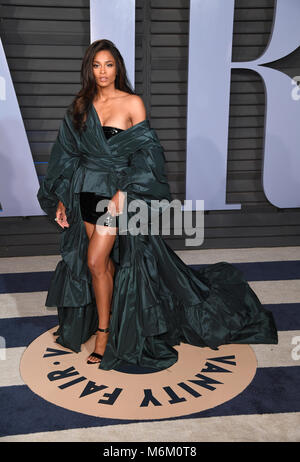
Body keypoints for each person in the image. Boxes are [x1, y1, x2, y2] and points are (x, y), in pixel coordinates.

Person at [37, 39, 278, 371]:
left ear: (117, 67)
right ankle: (104, 320)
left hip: (115, 194)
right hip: (83, 191)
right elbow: (65, 155)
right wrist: (61, 197)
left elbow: (148, 157)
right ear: (89, 69)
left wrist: (126, 190)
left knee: (95, 261)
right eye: (96, 65)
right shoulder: (79, 104)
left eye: (108, 64)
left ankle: (105, 333)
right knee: (101, 265)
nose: (103, 71)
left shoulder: (132, 103)